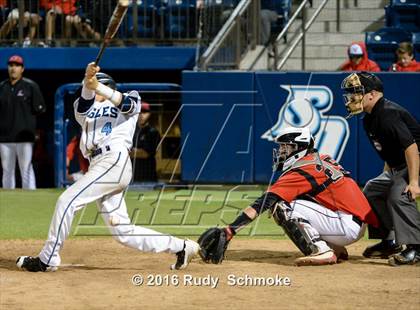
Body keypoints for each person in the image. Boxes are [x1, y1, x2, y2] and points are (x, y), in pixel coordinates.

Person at [16, 62, 199, 272]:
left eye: (96, 88)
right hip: (99, 164)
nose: (92, 92)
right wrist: (88, 80)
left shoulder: (128, 98)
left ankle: (47, 259)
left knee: (66, 201)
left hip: (114, 159)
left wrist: (99, 87)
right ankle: (182, 247)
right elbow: (83, 104)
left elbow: (129, 105)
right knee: (123, 232)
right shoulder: (84, 110)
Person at [199, 126, 379, 266]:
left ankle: (322, 250)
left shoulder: (302, 169)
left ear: (299, 148)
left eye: (286, 147)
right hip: (351, 221)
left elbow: (265, 201)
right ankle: (336, 248)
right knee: (297, 200)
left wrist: (230, 230)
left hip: (345, 225)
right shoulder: (320, 158)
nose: (282, 151)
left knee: (281, 206)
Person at [341, 72, 420, 266]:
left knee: (398, 194)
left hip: (416, 161)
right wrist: (389, 174)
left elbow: (412, 147)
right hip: (401, 165)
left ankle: (416, 248)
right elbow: (389, 151)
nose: (352, 97)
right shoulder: (370, 117)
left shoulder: (387, 113)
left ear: (372, 94)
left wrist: (414, 182)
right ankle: (390, 240)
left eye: (356, 92)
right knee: (372, 189)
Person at [0, 55, 46, 189]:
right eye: (11, 65)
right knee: (7, 170)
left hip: (24, 137)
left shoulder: (30, 86)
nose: (13, 68)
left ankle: (30, 199)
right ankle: (8, 201)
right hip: (4, 137)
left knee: (25, 169)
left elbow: (40, 109)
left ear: (22, 69)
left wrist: (34, 130)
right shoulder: (2, 87)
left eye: (17, 65)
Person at [131, 102, 160, 182]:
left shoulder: (153, 132)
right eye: (139, 112)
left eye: (144, 112)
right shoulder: (131, 131)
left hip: (148, 177)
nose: (141, 115)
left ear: (149, 114)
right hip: (132, 177)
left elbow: (145, 153)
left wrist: (128, 151)